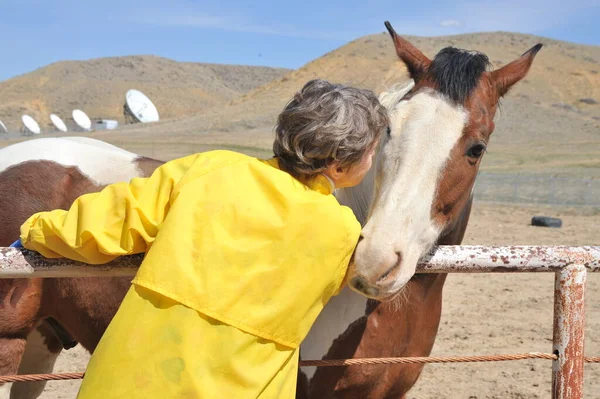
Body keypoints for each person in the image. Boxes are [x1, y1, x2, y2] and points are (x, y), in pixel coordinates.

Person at [16, 79, 389, 398]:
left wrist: (35, 232)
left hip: (133, 378)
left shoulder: (212, 168)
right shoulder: (341, 231)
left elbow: (107, 221)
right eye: (372, 152)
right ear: (339, 164)